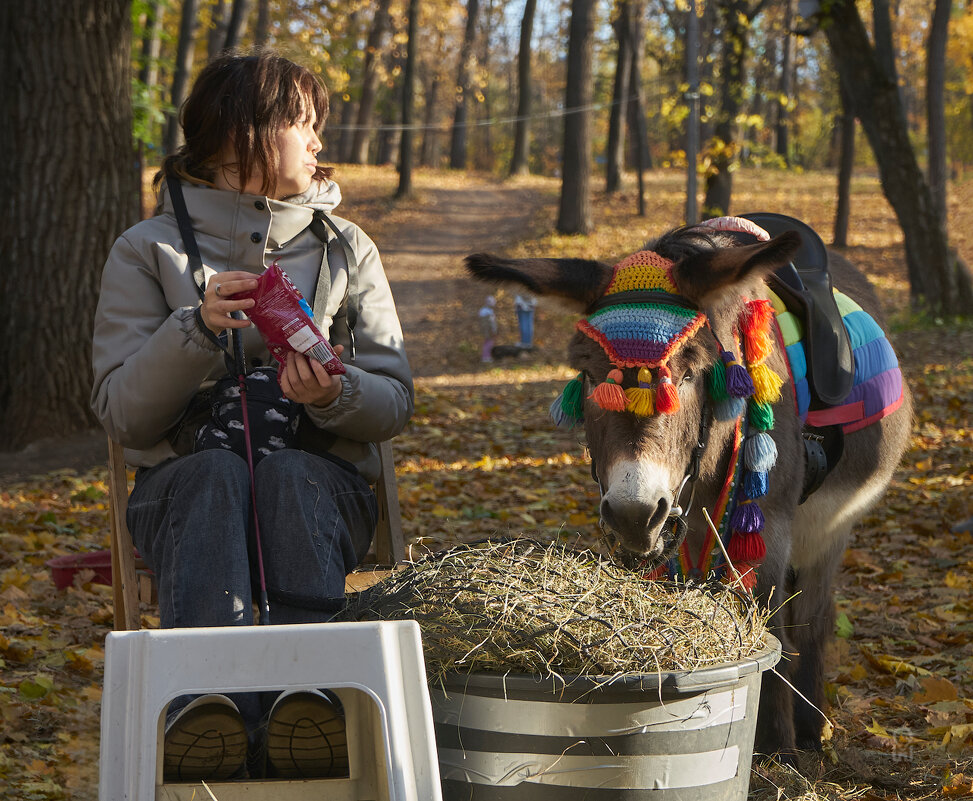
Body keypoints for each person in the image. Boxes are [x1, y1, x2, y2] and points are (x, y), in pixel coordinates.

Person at [90, 50, 413, 781]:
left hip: (318, 491)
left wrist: (333, 392)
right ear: (244, 137)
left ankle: (312, 700)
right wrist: (194, 331)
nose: (319, 144)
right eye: (306, 125)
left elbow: (394, 401)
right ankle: (206, 708)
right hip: (184, 497)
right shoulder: (147, 251)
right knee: (212, 478)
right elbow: (121, 414)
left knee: (291, 477)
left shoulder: (346, 248)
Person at [478, 295, 498, 363]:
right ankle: (486, 357)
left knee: (486, 342)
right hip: (489, 330)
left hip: (485, 330)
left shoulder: (482, 311)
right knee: (489, 343)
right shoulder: (489, 312)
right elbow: (492, 323)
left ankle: (485, 356)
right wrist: (494, 330)